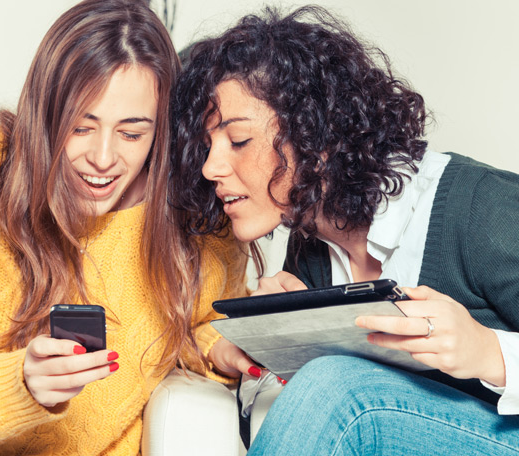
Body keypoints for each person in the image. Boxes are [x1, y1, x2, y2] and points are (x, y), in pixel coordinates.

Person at [0, 1, 252, 454]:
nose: (103, 158)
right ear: (45, 112)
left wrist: (225, 349)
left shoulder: (192, 220)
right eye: (80, 126)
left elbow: (201, 321)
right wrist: (21, 384)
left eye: (132, 134)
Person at [170, 5, 519, 454]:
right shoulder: (311, 243)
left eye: (238, 141)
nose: (212, 166)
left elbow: (353, 397)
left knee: (339, 390)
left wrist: (489, 352)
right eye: (206, 146)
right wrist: (287, 337)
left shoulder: (481, 209)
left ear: (318, 135)